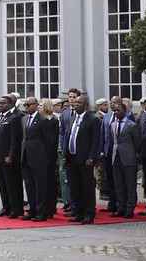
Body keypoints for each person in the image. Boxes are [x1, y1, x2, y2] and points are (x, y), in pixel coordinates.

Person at [64, 95, 101, 224]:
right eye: (74, 103)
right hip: (72, 158)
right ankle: (78, 212)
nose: (75, 104)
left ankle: (89, 213)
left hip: (85, 159)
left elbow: (95, 141)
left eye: (79, 102)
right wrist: (66, 157)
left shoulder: (92, 120)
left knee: (87, 187)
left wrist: (91, 157)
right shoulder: (72, 119)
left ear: (85, 105)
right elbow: (68, 138)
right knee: (75, 187)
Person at [0, 94, 24, 219]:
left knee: (11, 183)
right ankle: (6, 206)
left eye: (2, 103)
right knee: (2, 183)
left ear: (10, 105)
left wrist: (11, 155)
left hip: (7, 157)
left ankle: (16, 208)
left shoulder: (14, 118)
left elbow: (15, 140)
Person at [21, 97, 56, 222]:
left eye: (28, 105)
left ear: (36, 105)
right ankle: (32, 210)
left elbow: (49, 142)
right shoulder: (24, 119)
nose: (26, 107)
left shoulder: (42, 120)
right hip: (26, 157)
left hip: (39, 159)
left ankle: (41, 213)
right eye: (24, 105)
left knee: (40, 187)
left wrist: (47, 158)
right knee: (29, 186)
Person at [109, 101, 140, 219]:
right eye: (115, 111)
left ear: (125, 111)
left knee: (130, 185)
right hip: (116, 157)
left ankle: (130, 208)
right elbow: (114, 141)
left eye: (118, 110)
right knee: (119, 185)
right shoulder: (113, 124)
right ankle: (120, 207)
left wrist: (134, 154)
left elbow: (137, 143)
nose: (116, 112)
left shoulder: (132, 125)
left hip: (129, 158)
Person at [97, 95, 122, 213]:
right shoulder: (106, 117)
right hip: (108, 152)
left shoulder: (125, 116)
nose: (112, 105)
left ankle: (121, 203)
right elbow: (102, 135)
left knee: (120, 180)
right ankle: (112, 203)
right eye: (111, 103)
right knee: (110, 179)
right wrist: (101, 151)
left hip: (120, 153)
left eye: (115, 102)